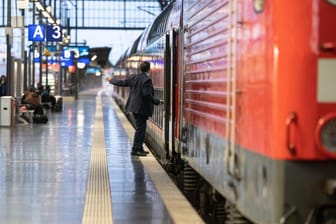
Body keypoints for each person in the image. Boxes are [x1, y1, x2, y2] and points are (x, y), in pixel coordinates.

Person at [105, 61, 162, 156]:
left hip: (133, 107)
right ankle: (136, 149)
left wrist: (111, 80)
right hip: (141, 108)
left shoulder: (133, 77)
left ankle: (139, 147)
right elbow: (147, 95)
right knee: (141, 129)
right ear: (149, 69)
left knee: (140, 128)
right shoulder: (147, 80)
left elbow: (122, 83)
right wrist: (156, 101)